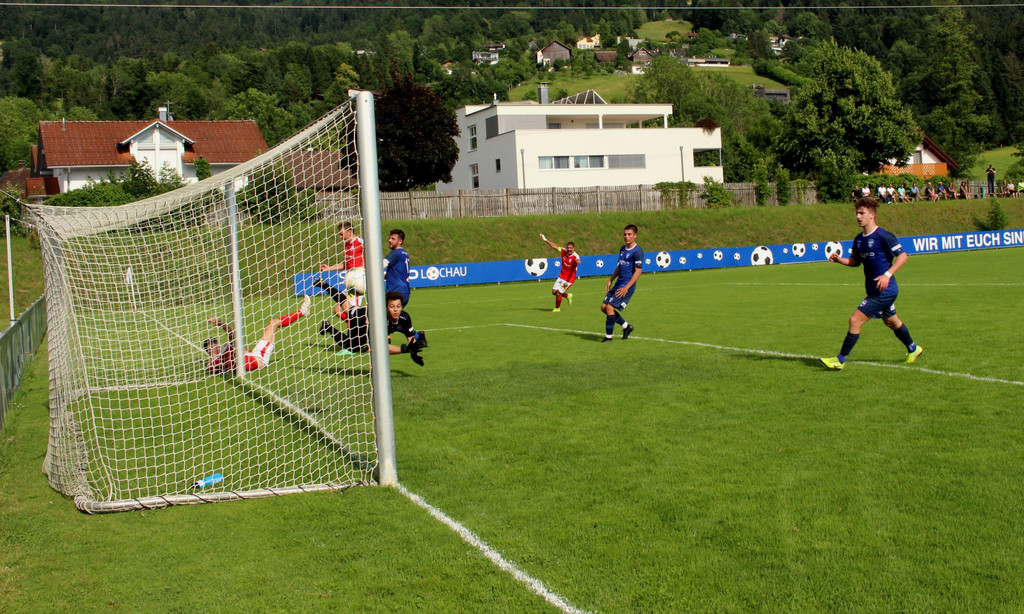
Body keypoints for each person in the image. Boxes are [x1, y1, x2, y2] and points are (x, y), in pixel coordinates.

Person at [820, 197, 922, 370]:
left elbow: (903, 256)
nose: (858, 216)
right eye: (857, 213)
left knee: (855, 320)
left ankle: (840, 359)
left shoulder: (884, 236)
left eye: (862, 213)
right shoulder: (859, 239)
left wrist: (887, 275)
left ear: (872, 215)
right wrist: (839, 260)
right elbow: (855, 262)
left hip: (885, 290)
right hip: (874, 290)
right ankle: (913, 348)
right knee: (891, 321)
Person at [205, 296, 312, 375]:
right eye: (212, 346)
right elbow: (217, 368)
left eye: (215, 343)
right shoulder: (213, 362)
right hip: (259, 358)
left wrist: (220, 323)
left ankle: (302, 311)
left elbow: (231, 334)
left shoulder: (226, 348)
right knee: (273, 323)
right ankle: (303, 311)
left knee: (273, 323)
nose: (215, 346)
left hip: (255, 354)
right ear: (208, 350)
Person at [318, 291, 426, 365]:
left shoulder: (404, 318)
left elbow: (411, 339)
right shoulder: (379, 319)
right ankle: (329, 327)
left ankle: (327, 326)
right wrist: (405, 349)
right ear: (386, 307)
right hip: (360, 322)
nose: (395, 310)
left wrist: (413, 353)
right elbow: (382, 348)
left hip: (364, 317)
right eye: (392, 306)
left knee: (346, 306)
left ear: (402, 306)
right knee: (352, 347)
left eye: (398, 306)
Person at [600, 224, 643, 342]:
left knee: (609, 308)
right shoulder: (623, 249)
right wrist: (610, 280)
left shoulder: (637, 251)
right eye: (625, 234)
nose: (626, 236)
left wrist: (626, 288)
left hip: (626, 286)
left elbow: (638, 271)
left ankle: (609, 337)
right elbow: (620, 266)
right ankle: (626, 327)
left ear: (635, 236)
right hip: (618, 283)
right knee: (604, 307)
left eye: (629, 234)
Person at [540, 233, 581, 312]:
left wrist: (578, 261)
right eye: (568, 248)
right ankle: (567, 295)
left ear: (573, 248)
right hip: (561, 276)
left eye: (571, 248)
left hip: (568, 280)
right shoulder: (563, 251)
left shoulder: (576, 256)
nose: (569, 249)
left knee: (558, 293)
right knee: (554, 292)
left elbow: (577, 260)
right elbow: (554, 246)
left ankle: (557, 308)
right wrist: (545, 239)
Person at [318, 221, 365, 288]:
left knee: (344, 298)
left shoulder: (360, 243)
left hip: (359, 279)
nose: (340, 237)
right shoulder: (347, 245)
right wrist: (329, 268)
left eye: (341, 234)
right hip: (350, 278)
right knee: (343, 298)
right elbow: (346, 265)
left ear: (349, 232)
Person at [384, 229, 411, 306]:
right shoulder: (404, 254)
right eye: (389, 238)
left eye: (393, 239)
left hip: (395, 293)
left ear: (400, 242)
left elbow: (380, 266)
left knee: (378, 314)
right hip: (404, 292)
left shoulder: (396, 253)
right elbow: (396, 274)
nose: (389, 240)